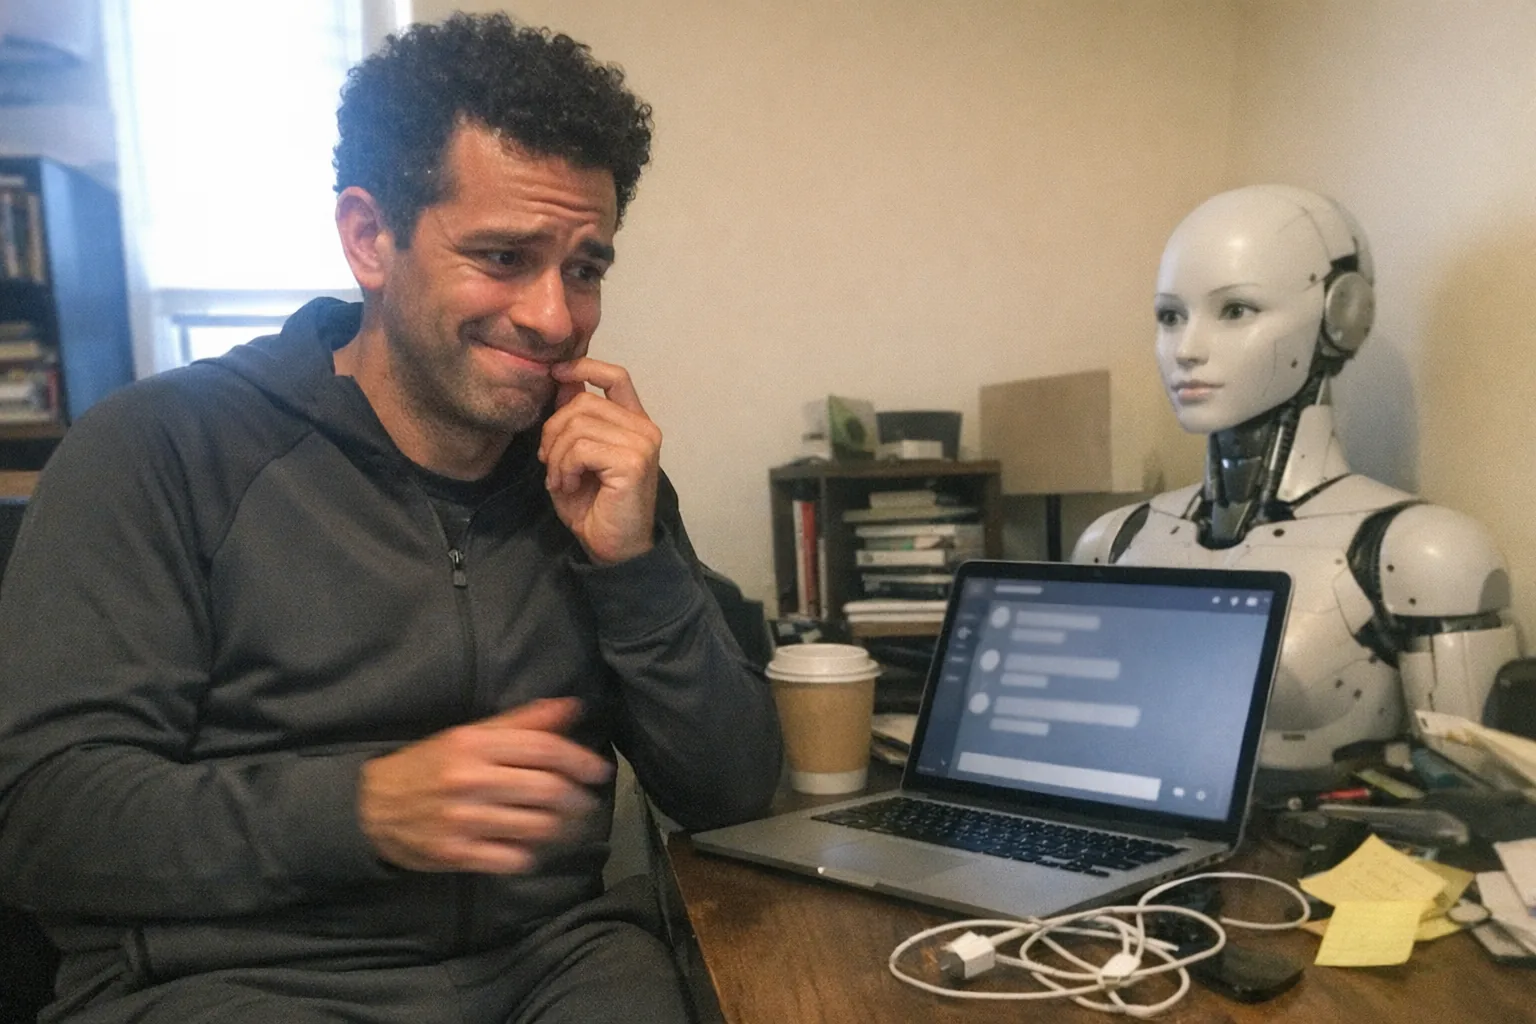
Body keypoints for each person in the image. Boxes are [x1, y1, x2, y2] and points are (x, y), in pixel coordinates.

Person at [0, 13, 781, 1023]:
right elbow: (44, 819)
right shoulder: (157, 449)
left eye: (585, 269)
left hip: (551, 965)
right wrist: (364, 810)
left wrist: (634, 569)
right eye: (503, 256)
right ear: (370, 239)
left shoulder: (591, 471)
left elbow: (732, 797)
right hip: (234, 981)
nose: (555, 317)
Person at [1073, 184, 1518, 783]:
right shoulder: (1114, 541)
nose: (1186, 350)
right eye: (1170, 316)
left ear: (1341, 315)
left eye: (1236, 310)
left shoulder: (1420, 553)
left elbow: (1476, 792)